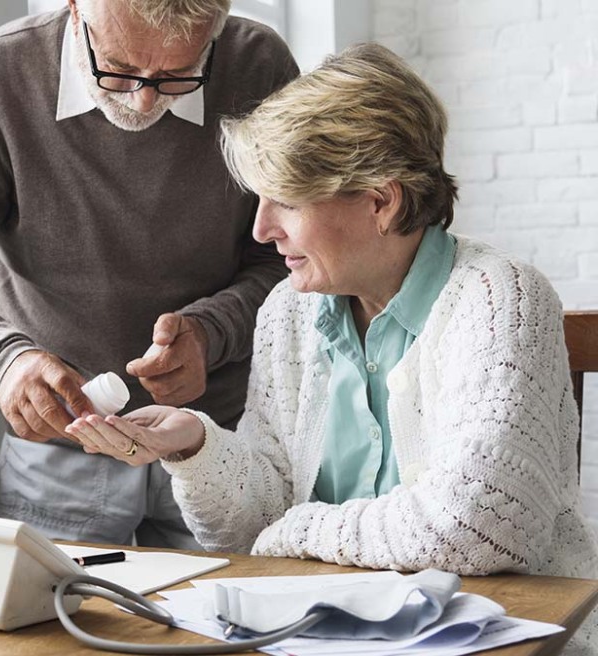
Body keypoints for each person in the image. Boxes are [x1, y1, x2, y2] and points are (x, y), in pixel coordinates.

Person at [66, 41, 598, 588]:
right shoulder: (288, 312)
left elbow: (482, 525)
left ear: (380, 201)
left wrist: (296, 532)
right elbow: (256, 519)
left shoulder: (499, 300)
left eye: (287, 201)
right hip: (335, 626)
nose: (261, 229)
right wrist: (195, 445)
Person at [0, 0, 298, 549]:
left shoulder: (258, 65)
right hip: (59, 453)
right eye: (121, 67)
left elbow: (286, 257)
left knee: (229, 629)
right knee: (48, 629)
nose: (145, 98)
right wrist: (4, 363)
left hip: (221, 442)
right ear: (76, 7)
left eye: (179, 74)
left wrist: (211, 333)